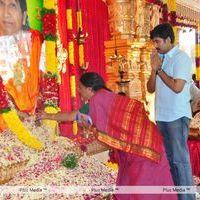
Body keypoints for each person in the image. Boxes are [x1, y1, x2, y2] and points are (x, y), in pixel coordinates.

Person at [38, 72, 177, 200]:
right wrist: (47, 115)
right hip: (150, 143)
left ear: (89, 88)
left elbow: (73, 116)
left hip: (141, 152)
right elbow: (76, 116)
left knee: (143, 191)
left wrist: (47, 115)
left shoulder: (97, 101)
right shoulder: (106, 98)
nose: (78, 91)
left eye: (80, 87)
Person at [147, 23, 195, 200]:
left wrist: (159, 69)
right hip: (161, 116)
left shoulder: (182, 58)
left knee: (179, 161)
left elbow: (177, 87)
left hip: (176, 116)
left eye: (158, 41)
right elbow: (150, 89)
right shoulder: (159, 59)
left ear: (168, 39)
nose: (156, 45)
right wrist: (154, 70)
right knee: (168, 161)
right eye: (154, 42)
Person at [0, 0, 44, 131]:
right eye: (1, 4)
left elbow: (45, 82)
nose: (5, 13)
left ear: (24, 16)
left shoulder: (34, 41)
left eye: (12, 5)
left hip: (33, 120)